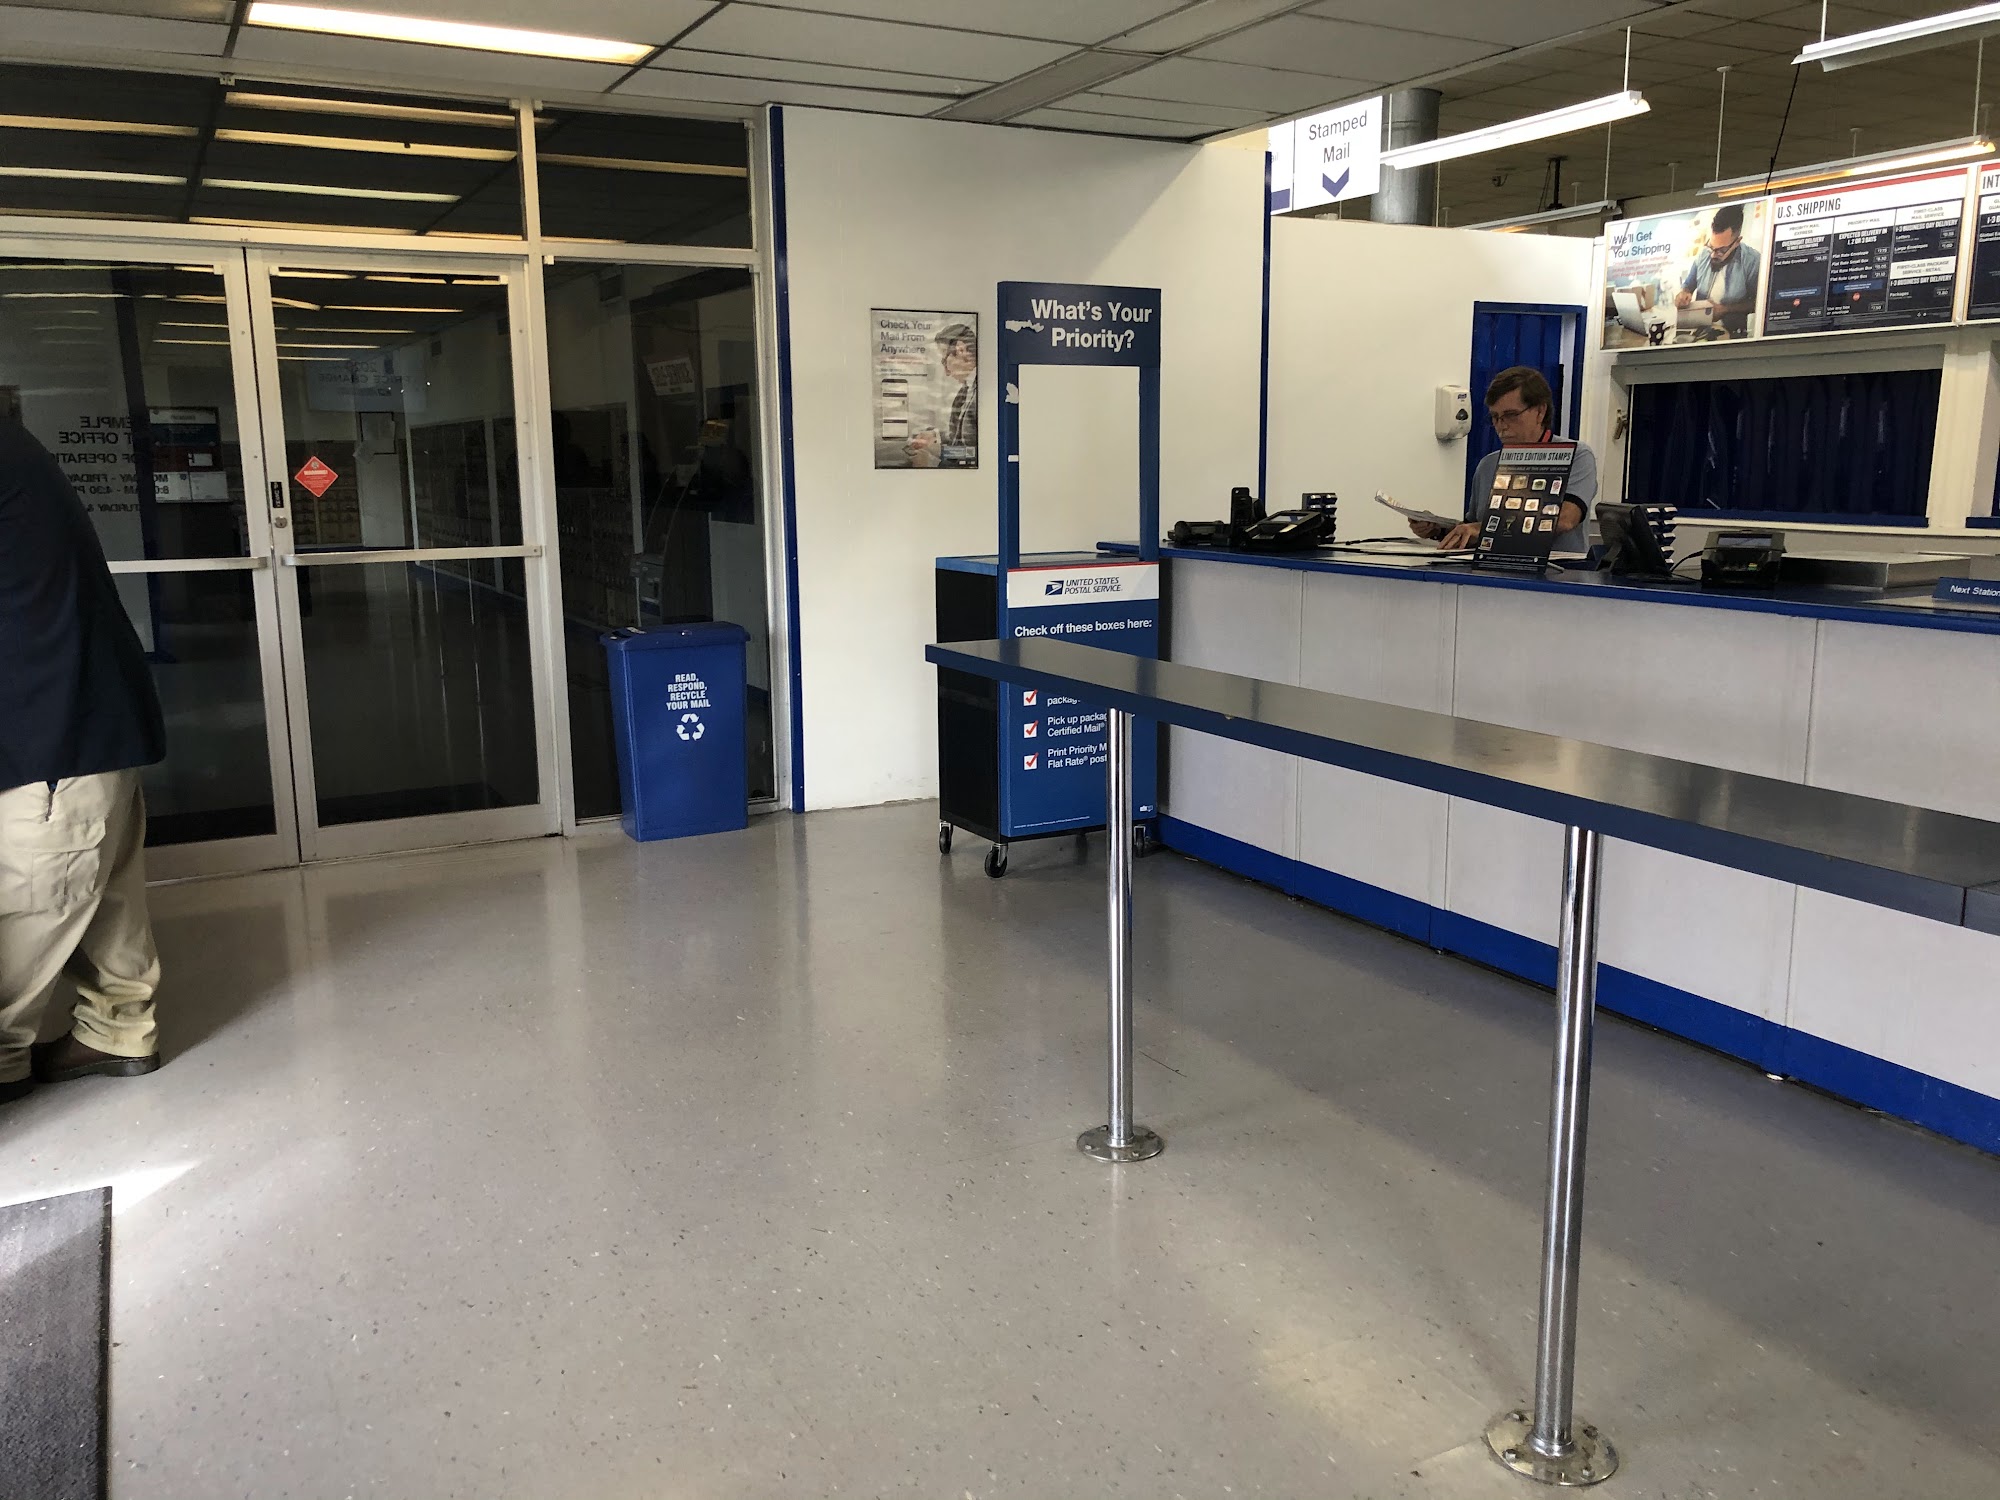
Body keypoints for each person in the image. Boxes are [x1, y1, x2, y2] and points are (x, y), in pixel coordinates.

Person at [1, 418, 167, 1105]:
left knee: (32, 903)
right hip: (91, 721)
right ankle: (117, 1031)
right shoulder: (14, 447)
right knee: (104, 896)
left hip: (49, 736)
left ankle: (5, 1056)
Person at [1412, 366, 1599, 553]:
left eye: (1511, 415)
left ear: (1540, 412)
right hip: (1494, 567)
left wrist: (1481, 528)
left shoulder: (1576, 456)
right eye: (1495, 417)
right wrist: (1439, 530)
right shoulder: (1488, 465)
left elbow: (1565, 519)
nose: (1501, 426)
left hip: (1557, 569)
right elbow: (1474, 532)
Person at [1675, 203, 1762, 336]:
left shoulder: (1752, 261)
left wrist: (1725, 309)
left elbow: (1758, 303)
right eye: (1711, 246)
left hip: (1733, 335)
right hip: (1698, 331)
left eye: (1721, 250)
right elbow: (1688, 285)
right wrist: (1683, 294)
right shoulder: (1704, 254)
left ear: (1737, 242)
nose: (1713, 254)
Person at [906, 322, 977, 469]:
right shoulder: (965, 392)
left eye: (945, 360)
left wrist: (935, 459)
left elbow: (974, 453)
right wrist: (935, 437)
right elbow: (962, 444)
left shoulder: (981, 395)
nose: (946, 371)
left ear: (961, 350)